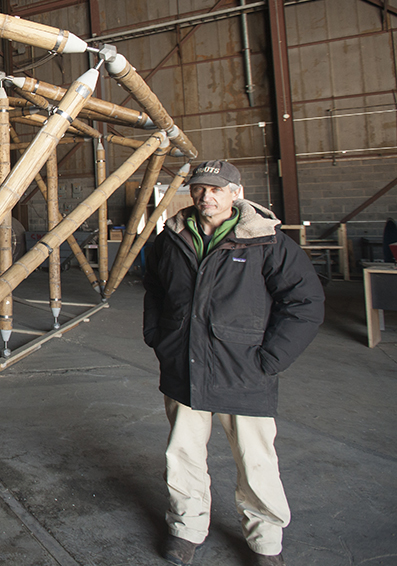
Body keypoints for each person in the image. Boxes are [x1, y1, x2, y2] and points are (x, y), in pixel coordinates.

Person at [142, 160, 325, 566]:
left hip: (244, 370)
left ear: (236, 193)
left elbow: (304, 303)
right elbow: (154, 289)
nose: (206, 196)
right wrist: (159, 337)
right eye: (199, 188)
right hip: (184, 364)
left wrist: (272, 358)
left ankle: (265, 542)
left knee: (255, 459)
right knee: (183, 454)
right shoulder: (171, 239)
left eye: (217, 189)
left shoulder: (266, 242)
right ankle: (186, 530)